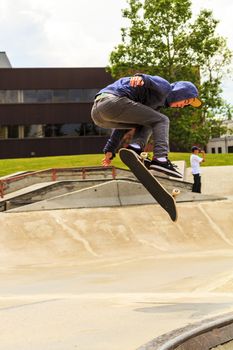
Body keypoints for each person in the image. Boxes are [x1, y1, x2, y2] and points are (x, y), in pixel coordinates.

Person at [91, 73, 202, 178]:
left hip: (99, 115)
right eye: (186, 101)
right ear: (180, 92)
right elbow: (149, 80)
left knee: (150, 119)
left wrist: (110, 148)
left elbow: (122, 128)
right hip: (111, 101)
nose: (183, 106)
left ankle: (135, 148)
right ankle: (161, 158)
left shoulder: (154, 105)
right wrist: (140, 77)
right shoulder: (166, 87)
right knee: (162, 120)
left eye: (186, 105)